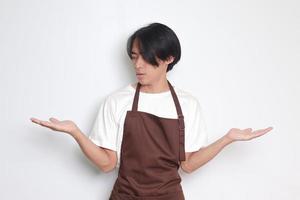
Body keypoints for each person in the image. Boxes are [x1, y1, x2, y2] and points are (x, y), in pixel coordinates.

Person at [30, 22, 273, 200]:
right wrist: (76, 133)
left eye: (145, 57)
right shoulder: (117, 101)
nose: (137, 65)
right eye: (134, 57)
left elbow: (187, 165)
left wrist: (227, 139)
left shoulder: (187, 105)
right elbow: (106, 165)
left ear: (169, 58)